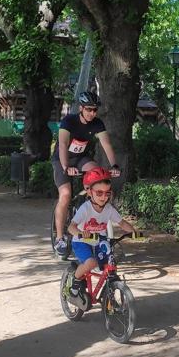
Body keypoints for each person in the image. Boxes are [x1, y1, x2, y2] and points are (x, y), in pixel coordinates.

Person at [52, 91, 121, 255]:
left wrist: (115, 165)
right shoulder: (69, 121)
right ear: (81, 108)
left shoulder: (97, 123)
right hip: (62, 160)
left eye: (95, 110)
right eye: (89, 109)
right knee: (66, 194)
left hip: (81, 159)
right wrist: (65, 166)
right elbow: (62, 144)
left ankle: (93, 220)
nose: (92, 113)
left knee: (99, 175)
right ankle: (60, 238)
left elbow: (106, 144)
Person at [66, 167, 137, 309]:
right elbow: (71, 227)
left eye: (107, 193)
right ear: (90, 192)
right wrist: (80, 233)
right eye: (99, 193)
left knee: (111, 265)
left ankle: (109, 292)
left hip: (99, 241)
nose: (104, 197)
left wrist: (134, 232)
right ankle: (73, 288)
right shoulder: (85, 209)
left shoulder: (109, 209)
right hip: (81, 242)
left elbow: (122, 222)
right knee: (91, 263)